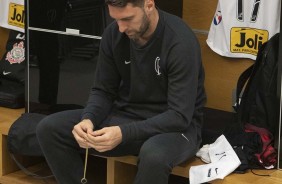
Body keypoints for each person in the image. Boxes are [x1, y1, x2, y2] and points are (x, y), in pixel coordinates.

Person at [36, 0, 206, 183]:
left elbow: (179, 116)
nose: (121, 28)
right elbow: (103, 91)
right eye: (116, 20)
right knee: (49, 128)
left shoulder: (180, 41)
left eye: (127, 19)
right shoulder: (114, 34)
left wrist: (124, 133)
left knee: (154, 155)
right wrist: (89, 118)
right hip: (125, 118)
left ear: (149, 5)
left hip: (176, 128)